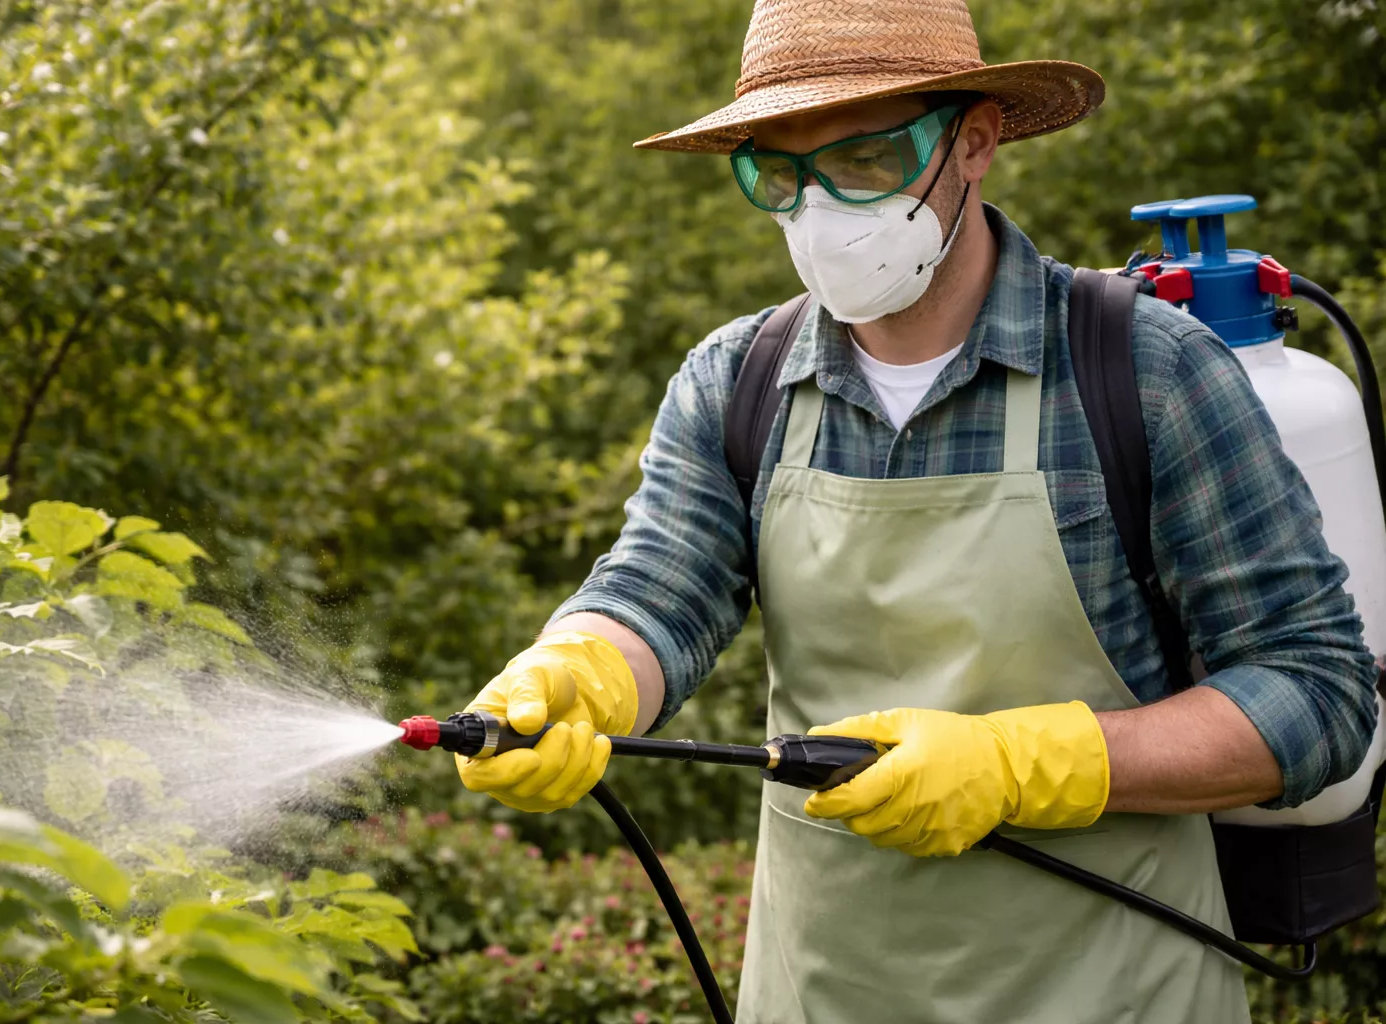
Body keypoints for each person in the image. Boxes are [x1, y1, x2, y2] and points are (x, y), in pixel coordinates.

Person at [452, 1, 1379, 1020]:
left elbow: (1317, 694)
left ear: (974, 140)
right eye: (778, 170)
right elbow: (657, 593)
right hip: (824, 989)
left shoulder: (1146, 372)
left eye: (865, 158)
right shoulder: (737, 380)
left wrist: (1030, 765)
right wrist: (576, 671)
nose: (818, 209)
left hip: (1117, 988)